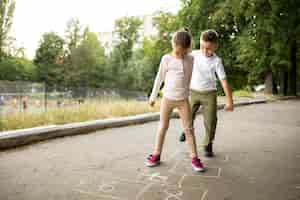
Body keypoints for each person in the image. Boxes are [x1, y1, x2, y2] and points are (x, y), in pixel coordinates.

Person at [146, 29, 205, 172]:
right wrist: (153, 97)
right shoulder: (166, 59)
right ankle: (156, 154)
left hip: (183, 100)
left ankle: (195, 158)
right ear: (173, 45)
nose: (180, 55)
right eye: (177, 52)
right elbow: (159, 78)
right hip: (167, 99)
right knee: (162, 127)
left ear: (188, 49)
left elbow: (204, 50)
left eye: (183, 52)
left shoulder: (191, 58)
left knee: (189, 129)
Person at [179, 29, 234, 157]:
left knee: (211, 121)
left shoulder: (217, 61)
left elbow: (224, 82)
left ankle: (208, 144)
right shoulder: (194, 54)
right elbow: (182, 48)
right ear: (199, 43)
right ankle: (186, 131)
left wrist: (229, 101)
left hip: (209, 93)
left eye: (209, 48)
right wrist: (184, 34)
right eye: (203, 46)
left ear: (215, 46)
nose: (205, 51)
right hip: (193, 91)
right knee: (188, 115)